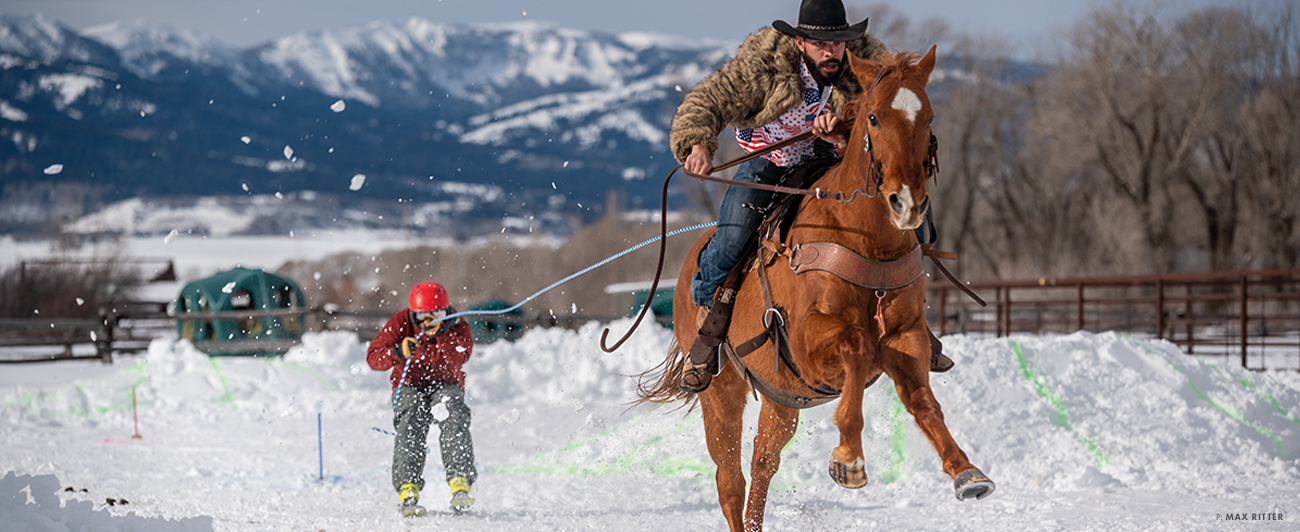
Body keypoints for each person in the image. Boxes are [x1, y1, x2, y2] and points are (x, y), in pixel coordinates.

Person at [669, 0, 952, 393]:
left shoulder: (869, 62)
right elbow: (707, 101)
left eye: (838, 44)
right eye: (821, 44)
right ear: (800, 42)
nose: (831, 52)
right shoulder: (764, 64)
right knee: (734, 235)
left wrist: (843, 128)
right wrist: (696, 144)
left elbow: (889, 114)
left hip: (830, 159)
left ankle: (913, 320)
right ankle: (707, 330)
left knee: (913, 216)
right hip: (769, 159)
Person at [367, 281, 477, 517]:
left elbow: (461, 357)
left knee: (453, 413)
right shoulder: (400, 322)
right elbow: (373, 357)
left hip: (446, 384)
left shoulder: (457, 325)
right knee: (411, 418)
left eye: (435, 314)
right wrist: (396, 351)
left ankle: (460, 481)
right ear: (412, 313)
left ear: (445, 311)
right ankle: (408, 487)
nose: (427, 321)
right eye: (420, 315)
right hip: (409, 384)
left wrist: (443, 337)